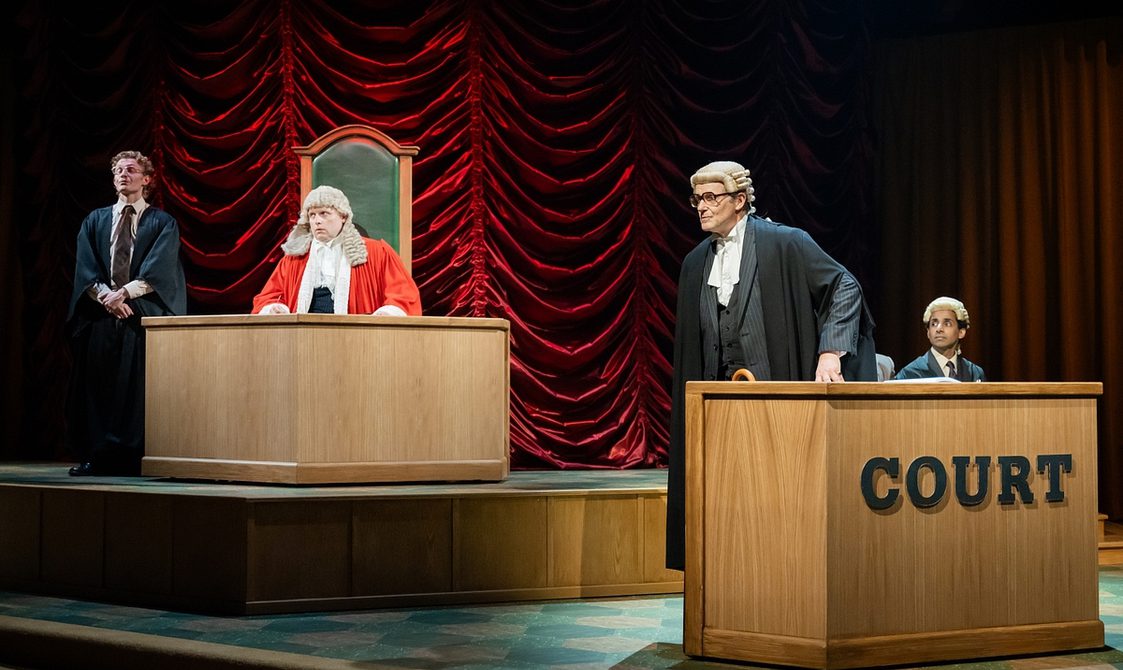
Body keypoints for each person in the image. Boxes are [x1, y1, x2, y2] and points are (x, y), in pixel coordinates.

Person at [665, 160, 877, 571]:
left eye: (711, 197)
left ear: (740, 200)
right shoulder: (695, 263)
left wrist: (830, 351)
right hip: (716, 407)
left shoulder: (785, 243)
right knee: (723, 505)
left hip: (775, 401)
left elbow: (844, 285)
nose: (701, 207)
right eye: (697, 199)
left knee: (777, 500)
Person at [66, 151, 187, 476]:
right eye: (118, 170)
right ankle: (98, 455)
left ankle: (134, 457)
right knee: (99, 385)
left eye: (131, 170)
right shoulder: (96, 220)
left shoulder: (161, 222)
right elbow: (86, 265)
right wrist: (106, 296)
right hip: (102, 316)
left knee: (134, 388)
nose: (123, 174)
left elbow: (160, 268)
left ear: (146, 179)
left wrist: (124, 293)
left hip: (139, 315)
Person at [252, 185, 421, 316]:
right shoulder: (294, 258)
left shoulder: (376, 252)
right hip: (304, 338)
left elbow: (404, 295)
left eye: (324, 213)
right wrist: (275, 308)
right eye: (312, 215)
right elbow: (268, 297)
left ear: (343, 216)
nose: (317, 221)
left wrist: (387, 314)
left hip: (357, 340)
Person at [894, 296, 986, 381]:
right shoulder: (910, 374)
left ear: (961, 332)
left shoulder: (975, 373)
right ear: (928, 332)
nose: (939, 329)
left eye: (947, 323)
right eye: (934, 324)